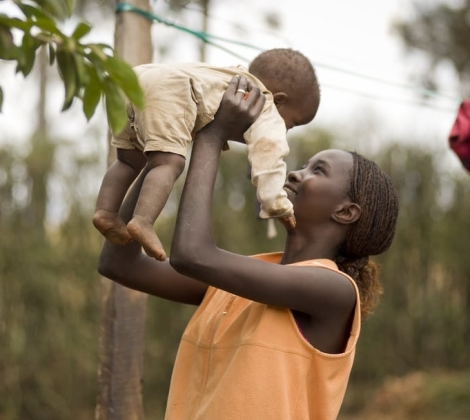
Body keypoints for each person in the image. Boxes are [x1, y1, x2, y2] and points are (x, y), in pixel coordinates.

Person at [98, 75, 400, 420]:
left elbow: (191, 255)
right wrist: (157, 157)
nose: (295, 174)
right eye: (302, 165)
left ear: (346, 212)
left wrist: (211, 135)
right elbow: (120, 264)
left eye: (318, 170)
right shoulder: (243, 281)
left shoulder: (333, 291)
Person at [93, 48, 320, 261]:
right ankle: (143, 220)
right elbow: (269, 159)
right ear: (280, 100)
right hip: (170, 90)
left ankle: (106, 212)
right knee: (167, 163)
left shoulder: (229, 77)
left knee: (128, 161)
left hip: (134, 79)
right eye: (293, 123)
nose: (287, 129)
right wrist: (278, 204)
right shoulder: (265, 104)